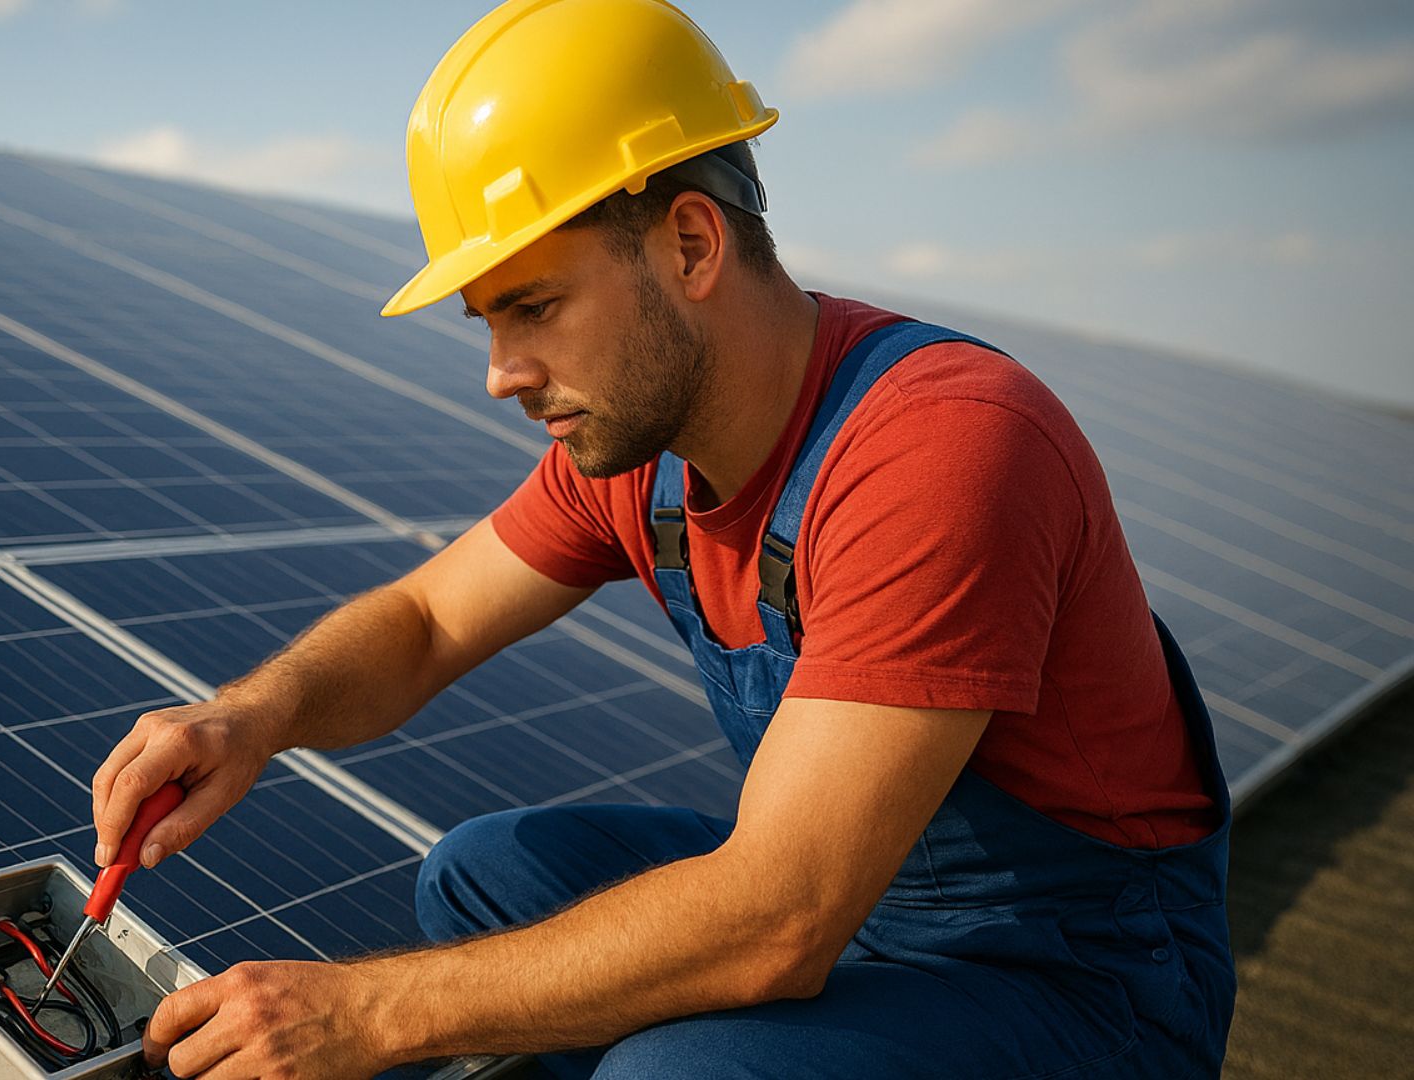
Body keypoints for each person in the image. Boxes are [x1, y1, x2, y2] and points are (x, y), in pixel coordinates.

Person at [93, 1, 1237, 1075]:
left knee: (671, 1070)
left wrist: (367, 1012)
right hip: (864, 903)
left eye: (534, 309)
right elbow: (430, 620)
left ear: (691, 245)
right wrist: (255, 713)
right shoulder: (643, 454)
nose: (501, 377)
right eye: (487, 322)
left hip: (1082, 975)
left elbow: (783, 918)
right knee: (484, 878)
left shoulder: (940, 445)